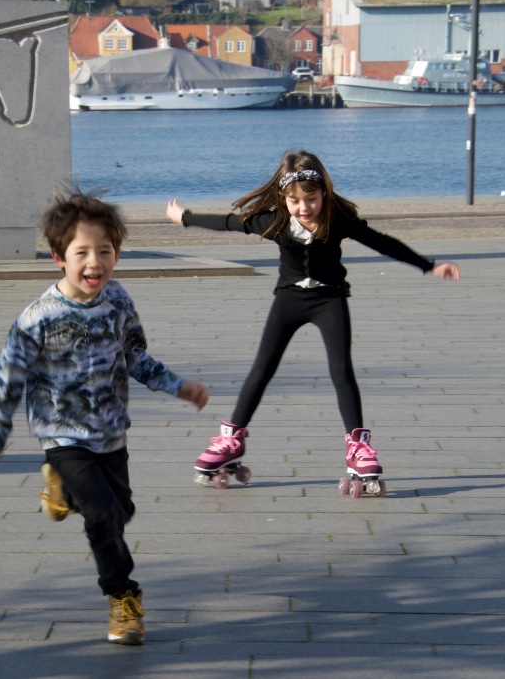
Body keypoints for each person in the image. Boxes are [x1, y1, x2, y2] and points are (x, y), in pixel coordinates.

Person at [0, 188, 209, 646]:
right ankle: (123, 599)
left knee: (120, 512)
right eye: (82, 252)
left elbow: (136, 356)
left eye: (105, 251)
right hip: (63, 437)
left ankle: (61, 489)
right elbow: (7, 380)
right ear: (58, 257)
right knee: (102, 515)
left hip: (111, 433)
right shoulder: (37, 318)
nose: (95, 262)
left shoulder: (118, 301)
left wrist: (178, 386)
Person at [166, 149, 459, 496]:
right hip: (289, 300)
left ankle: (358, 446)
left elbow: (381, 242)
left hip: (329, 299)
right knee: (262, 368)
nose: (304, 208)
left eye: (312, 199)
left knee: (341, 370)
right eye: (295, 201)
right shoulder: (273, 221)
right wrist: (185, 217)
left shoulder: (337, 218)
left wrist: (429, 265)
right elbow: (230, 222)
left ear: (323, 193)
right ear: (283, 198)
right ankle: (231, 440)